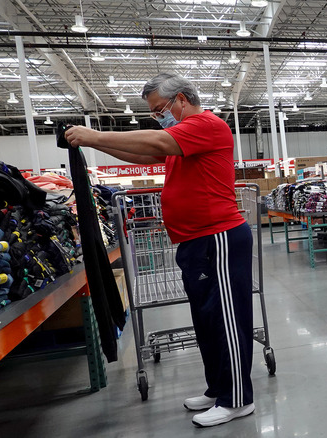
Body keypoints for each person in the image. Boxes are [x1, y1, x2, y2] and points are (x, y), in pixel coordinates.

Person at [64, 72, 255, 428]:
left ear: (181, 99)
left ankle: (238, 399)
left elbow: (155, 142)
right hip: (196, 243)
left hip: (220, 238)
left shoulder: (205, 125)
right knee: (206, 321)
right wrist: (92, 144)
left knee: (228, 320)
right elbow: (141, 153)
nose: (158, 117)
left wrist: (94, 134)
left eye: (159, 110)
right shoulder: (181, 140)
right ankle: (219, 388)